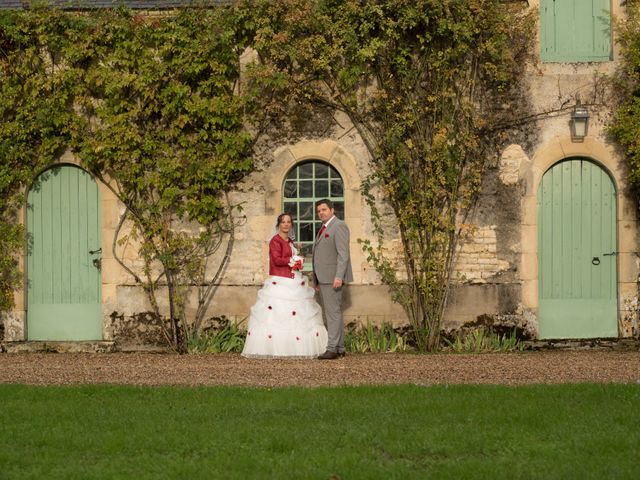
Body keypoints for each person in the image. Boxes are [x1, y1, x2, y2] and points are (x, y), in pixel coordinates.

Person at [241, 213, 328, 359]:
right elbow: (276, 260)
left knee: (298, 317)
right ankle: (277, 348)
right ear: (279, 224)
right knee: (278, 316)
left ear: (291, 225)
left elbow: (292, 261)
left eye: (289, 222)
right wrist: (293, 260)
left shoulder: (290, 241)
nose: (286, 224)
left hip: (293, 279)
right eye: (283, 222)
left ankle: (295, 349)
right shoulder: (275, 241)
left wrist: (298, 261)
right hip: (280, 281)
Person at [312, 199, 353, 360]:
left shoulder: (339, 226)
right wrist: (316, 279)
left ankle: (332, 349)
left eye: (324, 209)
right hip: (323, 278)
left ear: (332, 210)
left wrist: (339, 276)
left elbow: (343, 254)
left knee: (332, 314)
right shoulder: (323, 228)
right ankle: (340, 347)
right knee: (334, 313)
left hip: (332, 277)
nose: (321, 213)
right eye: (318, 211)